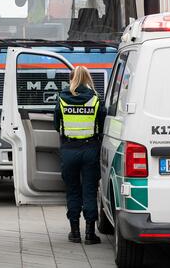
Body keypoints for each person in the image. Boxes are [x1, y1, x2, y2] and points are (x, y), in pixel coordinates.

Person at [53, 66, 104, 245]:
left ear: (71, 79)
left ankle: (74, 233)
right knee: (89, 191)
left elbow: (56, 123)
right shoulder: (95, 99)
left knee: (73, 191)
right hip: (90, 149)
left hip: (69, 150)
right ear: (87, 79)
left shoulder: (61, 98)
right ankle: (90, 234)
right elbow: (102, 124)